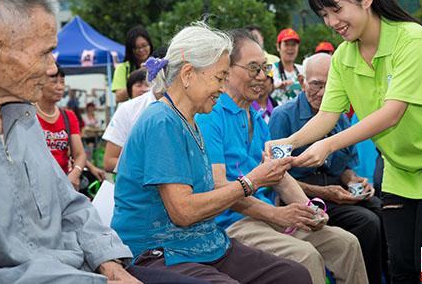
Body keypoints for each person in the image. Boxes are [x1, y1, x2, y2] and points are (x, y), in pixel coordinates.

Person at [268, 0, 422, 284]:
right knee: (401, 267)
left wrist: (329, 144)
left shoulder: (412, 39)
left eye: (336, 9)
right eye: (324, 14)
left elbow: (392, 112)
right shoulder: (342, 57)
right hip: (399, 168)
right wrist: (289, 143)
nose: (331, 21)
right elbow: (327, 115)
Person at [0, 0, 206, 284]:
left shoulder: (23, 121)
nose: (53, 68)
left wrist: (109, 263)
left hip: (85, 268)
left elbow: (72, 204)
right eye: (44, 53)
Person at [111, 23, 312, 284]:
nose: (222, 87)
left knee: (293, 275)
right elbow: (183, 212)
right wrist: (251, 182)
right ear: (187, 74)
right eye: (219, 78)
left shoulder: (190, 119)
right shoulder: (162, 121)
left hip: (203, 242)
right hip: (158, 252)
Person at [196, 29, 367, 284]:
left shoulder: (256, 118)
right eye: (253, 68)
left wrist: (311, 211)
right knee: (305, 256)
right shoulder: (212, 115)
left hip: (268, 215)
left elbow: (279, 175)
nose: (262, 77)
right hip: (233, 223)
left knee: (347, 244)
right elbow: (220, 188)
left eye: (265, 69)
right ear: (227, 69)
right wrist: (276, 214)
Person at [269, 53, 388, 284]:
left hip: (336, 193)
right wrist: (326, 193)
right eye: (316, 84)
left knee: (383, 211)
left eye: (329, 84)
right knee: (367, 222)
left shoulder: (339, 117)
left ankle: (391, 277)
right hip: (302, 198)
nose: (322, 93)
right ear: (302, 81)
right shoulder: (282, 116)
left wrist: (355, 181)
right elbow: (277, 178)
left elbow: (344, 167)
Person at [36, 64, 106, 189]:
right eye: (54, 82)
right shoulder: (28, 115)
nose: (60, 87)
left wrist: (75, 173)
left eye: (62, 82)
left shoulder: (68, 116)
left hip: (64, 183)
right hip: (38, 184)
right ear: (39, 83)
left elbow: (79, 154)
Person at [112, 26, 154, 103]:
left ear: (150, 45)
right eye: (136, 48)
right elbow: (118, 97)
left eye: (144, 45)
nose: (141, 50)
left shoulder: (157, 64)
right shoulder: (123, 68)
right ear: (130, 50)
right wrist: (138, 74)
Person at [271, 28, 303, 105]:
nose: (290, 48)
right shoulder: (270, 70)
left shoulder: (303, 70)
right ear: (278, 47)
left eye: (293, 45)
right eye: (286, 44)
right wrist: (275, 86)